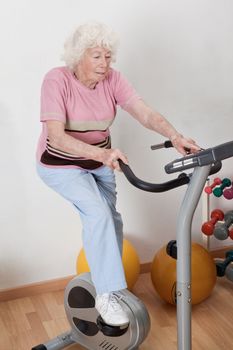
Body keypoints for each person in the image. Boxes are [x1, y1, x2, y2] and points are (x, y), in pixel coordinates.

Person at [36, 21, 200, 327]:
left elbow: (145, 112)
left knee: (112, 219)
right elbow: (56, 137)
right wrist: (102, 154)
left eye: (108, 56)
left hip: (101, 161)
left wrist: (176, 136)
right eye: (96, 56)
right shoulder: (56, 80)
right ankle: (107, 293)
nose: (104, 63)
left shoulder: (113, 80)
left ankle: (107, 284)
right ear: (78, 56)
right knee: (97, 213)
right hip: (60, 163)